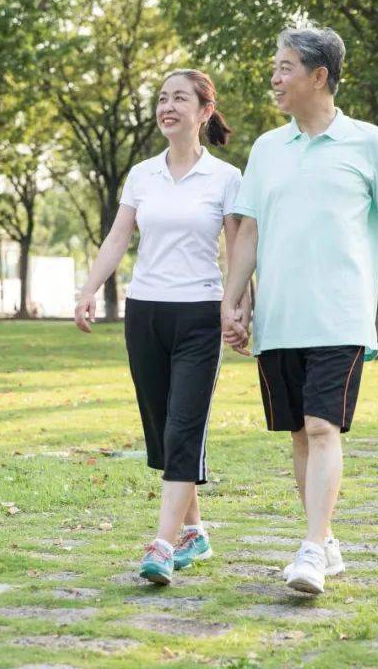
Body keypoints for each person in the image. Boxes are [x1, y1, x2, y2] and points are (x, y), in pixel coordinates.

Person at [221, 26, 378, 595]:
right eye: (275, 66)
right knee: (297, 432)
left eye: (286, 67)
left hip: (340, 316)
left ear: (320, 76)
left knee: (322, 426)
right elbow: (247, 234)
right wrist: (233, 302)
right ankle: (327, 540)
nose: (274, 77)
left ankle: (313, 550)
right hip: (279, 320)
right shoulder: (267, 148)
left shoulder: (369, 143)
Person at [74, 69, 246, 585]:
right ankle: (196, 532)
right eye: (162, 98)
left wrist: (237, 307)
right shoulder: (141, 175)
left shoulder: (226, 178)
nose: (167, 107)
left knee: (183, 427)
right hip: (144, 313)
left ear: (204, 111)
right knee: (162, 431)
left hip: (199, 312)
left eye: (179, 98)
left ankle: (163, 544)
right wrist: (88, 291)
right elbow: (117, 238)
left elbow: (238, 249)